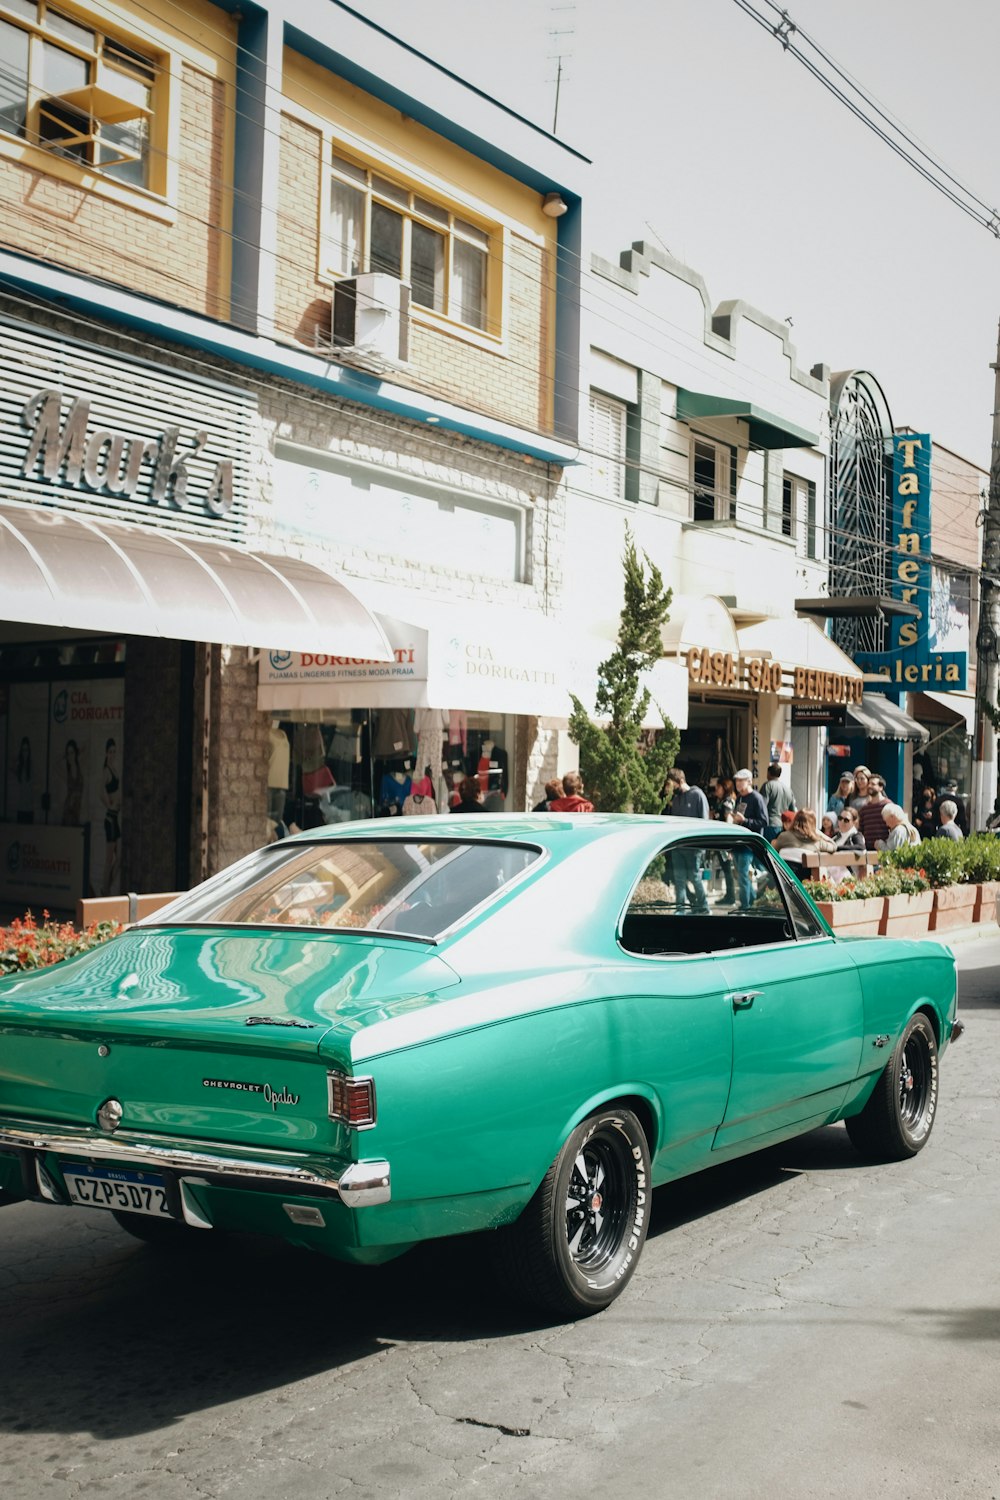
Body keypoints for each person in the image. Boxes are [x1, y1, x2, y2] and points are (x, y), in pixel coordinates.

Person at [100, 736, 122, 895]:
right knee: (109, 859)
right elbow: (100, 791)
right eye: (110, 751)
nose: (113, 754)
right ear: (106, 753)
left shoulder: (114, 769)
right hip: (110, 818)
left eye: (114, 751)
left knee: (119, 855)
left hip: (115, 818)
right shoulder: (106, 771)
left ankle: (106, 887)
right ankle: (104, 889)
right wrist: (109, 803)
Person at [760, 762, 796, 841]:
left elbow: (762, 806)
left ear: (768, 773)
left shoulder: (767, 786)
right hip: (783, 826)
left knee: (769, 850)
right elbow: (792, 810)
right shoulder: (788, 789)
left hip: (770, 824)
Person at [858, 774, 891, 850]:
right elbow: (861, 830)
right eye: (869, 783)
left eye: (873, 784)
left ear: (881, 787)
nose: (869, 786)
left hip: (883, 850)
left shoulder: (888, 806)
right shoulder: (864, 809)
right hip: (867, 851)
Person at [61, 738, 84, 825]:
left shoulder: (80, 769)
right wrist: (64, 755)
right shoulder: (68, 773)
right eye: (68, 754)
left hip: (77, 808)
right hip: (69, 808)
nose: (70, 756)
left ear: (75, 753)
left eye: (72, 752)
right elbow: (55, 764)